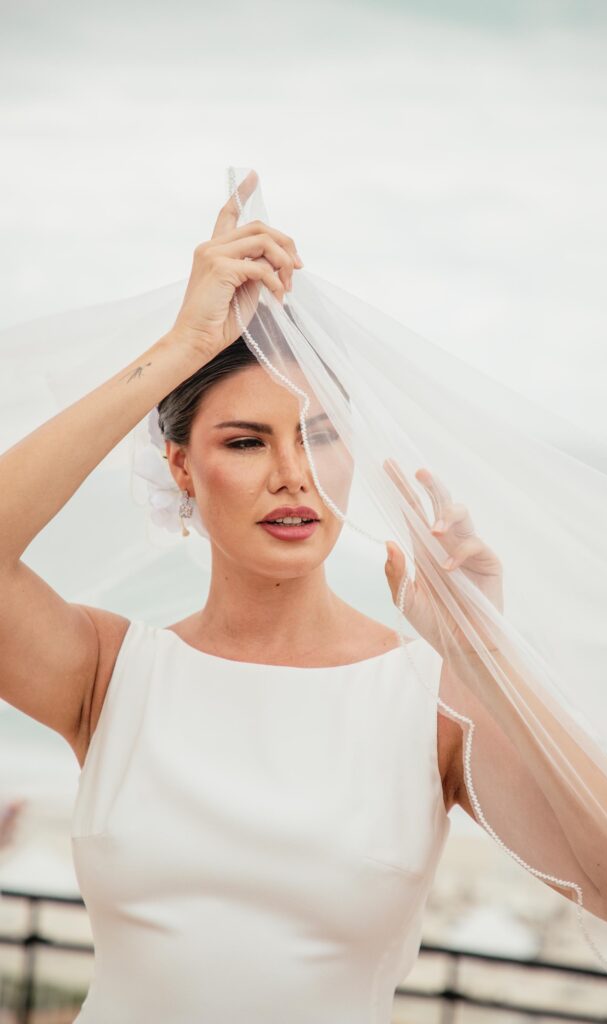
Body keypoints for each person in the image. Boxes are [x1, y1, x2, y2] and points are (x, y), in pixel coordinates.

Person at [0, 179, 464, 1022]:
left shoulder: (434, 697)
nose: (293, 473)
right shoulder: (107, 675)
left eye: (319, 437)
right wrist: (183, 346)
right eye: (246, 441)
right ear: (180, 466)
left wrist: (491, 653)